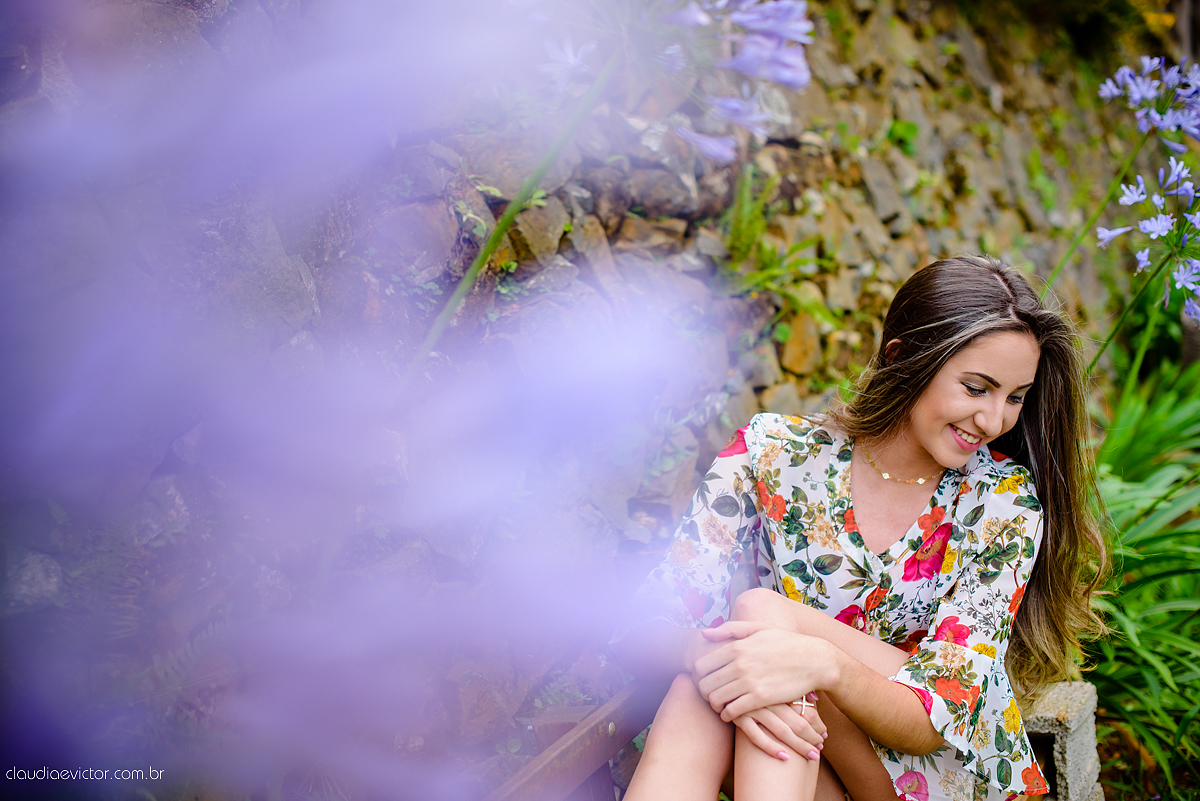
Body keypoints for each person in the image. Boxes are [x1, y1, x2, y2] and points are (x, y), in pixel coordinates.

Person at [612, 256, 1108, 801]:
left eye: (1015, 397)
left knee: (762, 620)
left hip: (919, 781)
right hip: (803, 765)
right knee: (711, 680)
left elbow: (929, 726)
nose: (994, 422)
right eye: (976, 388)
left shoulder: (1003, 505)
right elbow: (642, 627)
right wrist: (722, 661)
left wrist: (822, 665)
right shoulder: (772, 453)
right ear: (903, 358)